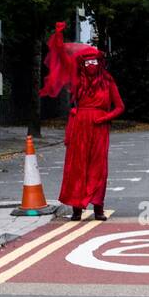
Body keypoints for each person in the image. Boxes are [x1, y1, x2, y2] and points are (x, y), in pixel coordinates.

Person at [41, 22, 124, 222]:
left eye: (94, 62)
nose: (91, 66)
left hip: (99, 128)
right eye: (87, 63)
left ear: (100, 62)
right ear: (82, 65)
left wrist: (104, 118)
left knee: (98, 167)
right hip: (80, 126)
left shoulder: (108, 80)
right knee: (78, 167)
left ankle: (98, 207)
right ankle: (77, 208)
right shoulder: (77, 78)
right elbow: (61, 58)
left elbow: (119, 106)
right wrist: (59, 36)